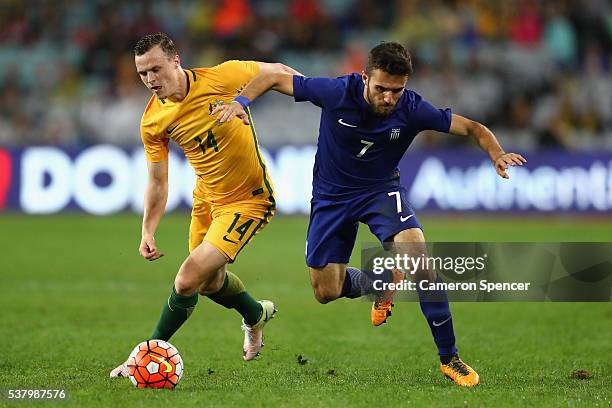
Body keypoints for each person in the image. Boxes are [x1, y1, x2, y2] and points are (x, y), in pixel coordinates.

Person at [213, 42, 526, 387]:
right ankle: (381, 283)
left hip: (380, 192)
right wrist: (240, 103)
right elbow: (272, 76)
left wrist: (496, 153)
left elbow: (472, 128)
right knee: (325, 290)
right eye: (381, 89)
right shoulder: (336, 91)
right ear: (364, 78)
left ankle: (450, 358)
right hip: (331, 199)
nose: (389, 98)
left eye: (397, 90)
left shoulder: (413, 108)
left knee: (419, 259)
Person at [110, 33, 301, 377]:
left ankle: (142, 356)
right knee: (210, 283)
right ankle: (255, 315)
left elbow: (277, 71)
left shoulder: (221, 77)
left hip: (248, 200)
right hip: (206, 200)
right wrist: (147, 229)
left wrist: (329, 98)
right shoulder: (153, 121)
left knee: (186, 280)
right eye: (142, 74)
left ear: (175, 61)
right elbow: (157, 180)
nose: (151, 80)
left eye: (156, 69)